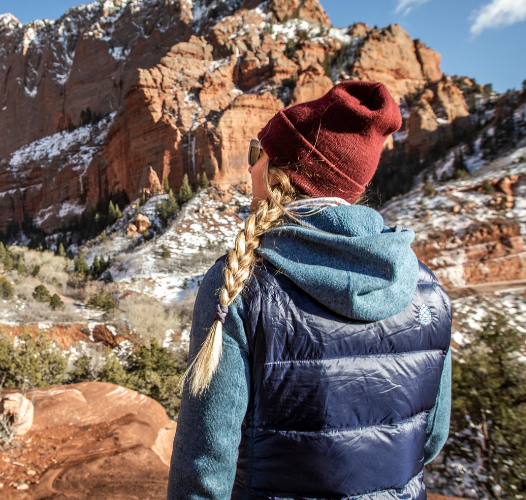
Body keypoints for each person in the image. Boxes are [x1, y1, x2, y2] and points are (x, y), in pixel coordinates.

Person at [167, 81, 452, 500]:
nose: (248, 169)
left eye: (255, 155)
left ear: (280, 170)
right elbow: (429, 438)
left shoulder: (240, 285)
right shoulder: (427, 288)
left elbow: (204, 470)